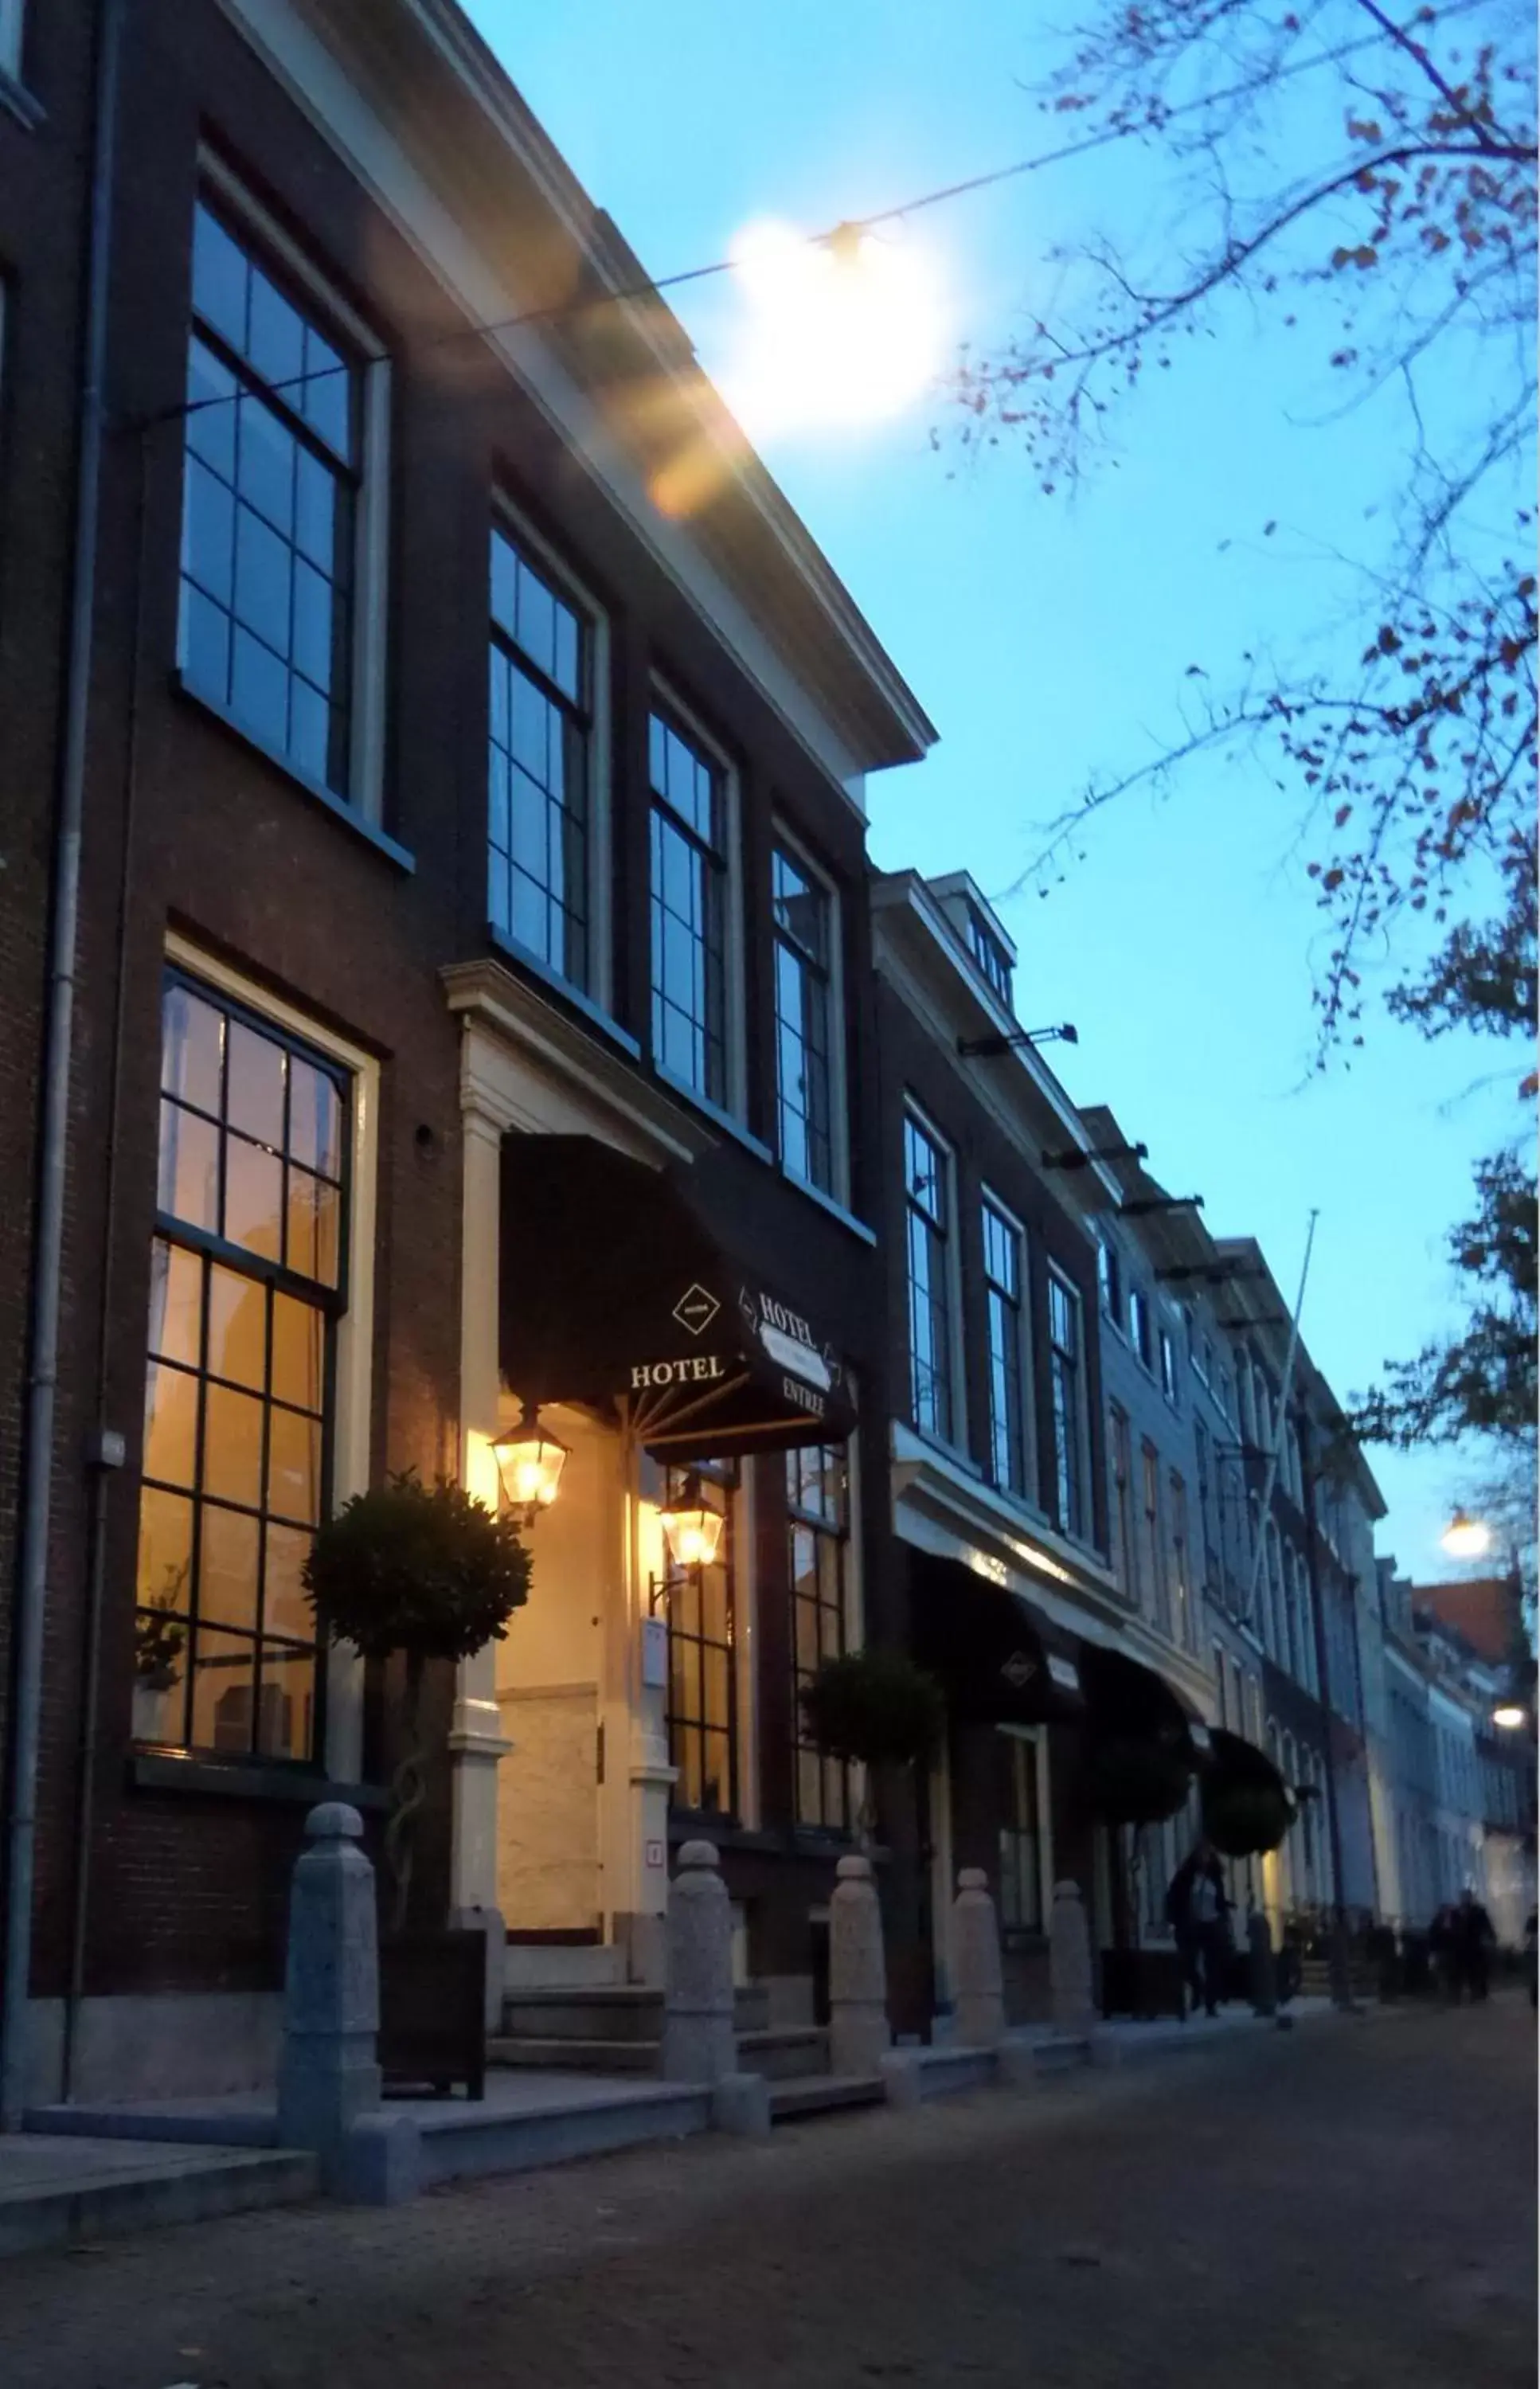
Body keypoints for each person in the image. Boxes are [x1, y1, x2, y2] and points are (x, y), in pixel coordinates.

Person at [1166, 1840, 1232, 2017]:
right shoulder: (1186, 1877)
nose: (1204, 1859)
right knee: (1188, 1962)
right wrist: (1175, 1918)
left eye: (1208, 1855)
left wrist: (1224, 1911)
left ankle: (1210, 2004)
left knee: (1213, 1965)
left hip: (1211, 1923)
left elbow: (1219, 1899)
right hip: (1191, 1924)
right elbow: (1174, 1896)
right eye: (1202, 1855)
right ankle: (1197, 1989)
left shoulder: (1215, 1878)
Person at [1452, 1887, 1495, 2002]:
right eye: (1463, 1897)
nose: (1464, 1900)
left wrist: (1490, 1938)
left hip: (1475, 1945)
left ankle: (1479, 1992)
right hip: (1463, 1946)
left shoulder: (1478, 1911)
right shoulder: (1457, 1912)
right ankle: (1472, 1993)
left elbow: (1487, 1926)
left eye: (1466, 1897)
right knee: (1467, 1970)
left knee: (1477, 1970)